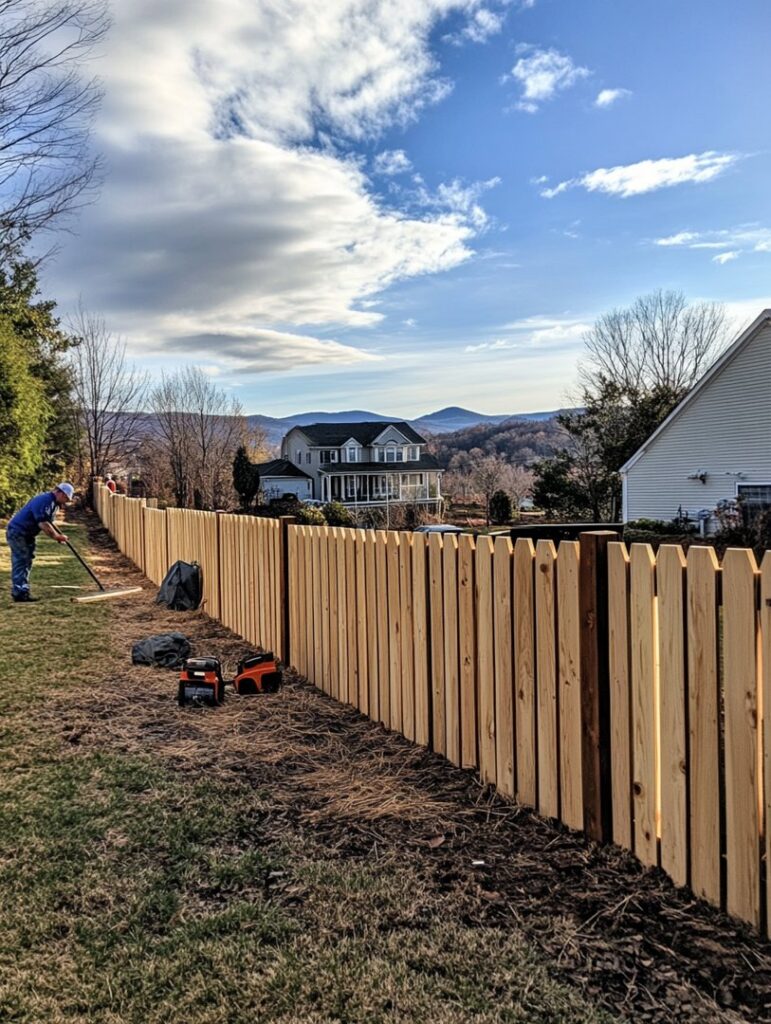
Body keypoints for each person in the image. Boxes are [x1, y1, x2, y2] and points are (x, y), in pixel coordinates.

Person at [5, 483, 75, 602]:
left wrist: (57, 536)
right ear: (60, 493)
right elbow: (43, 523)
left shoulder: (54, 504)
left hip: (27, 534)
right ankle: (19, 593)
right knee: (21, 560)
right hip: (18, 532)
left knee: (27, 559)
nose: (65, 502)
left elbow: (49, 522)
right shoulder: (45, 500)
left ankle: (22, 590)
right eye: (66, 498)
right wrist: (57, 536)